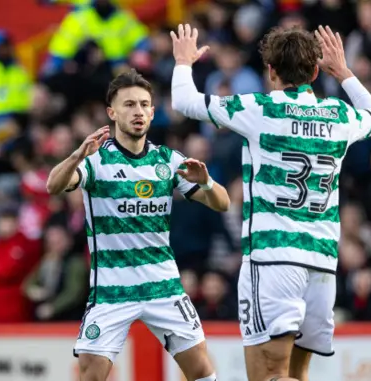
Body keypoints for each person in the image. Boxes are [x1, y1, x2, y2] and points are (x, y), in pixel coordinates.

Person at [170, 24, 371, 381]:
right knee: (297, 375)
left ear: (271, 72)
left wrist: (182, 61)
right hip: (321, 263)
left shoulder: (260, 109)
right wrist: (345, 72)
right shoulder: (339, 115)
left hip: (272, 259)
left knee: (270, 376)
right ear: (316, 72)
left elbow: (185, 101)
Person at [46, 69, 229, 381]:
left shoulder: (168, 161)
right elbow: (54, 185)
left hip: (163, 286)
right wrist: (77, 155)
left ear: (153, 112)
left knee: (201, 370)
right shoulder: (96, 162)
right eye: (129, 104)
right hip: (111, 292)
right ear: (112, 113)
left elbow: (222, 203)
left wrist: (208, 182)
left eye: (144, 104)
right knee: (90, 374)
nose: (138, 111)